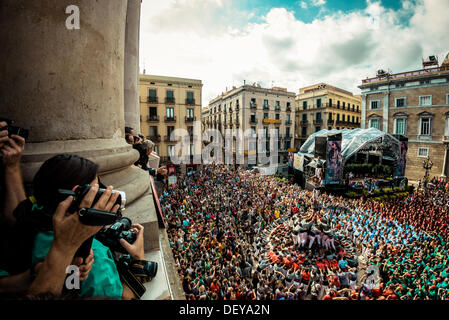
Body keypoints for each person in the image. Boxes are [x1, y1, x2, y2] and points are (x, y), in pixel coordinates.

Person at [4, 154, 145, 299]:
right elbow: (124, 297)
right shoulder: (93, 255)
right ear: (79, 196)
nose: (104, 195)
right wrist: (138, 261)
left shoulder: (27, 217)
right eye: (97, 191)